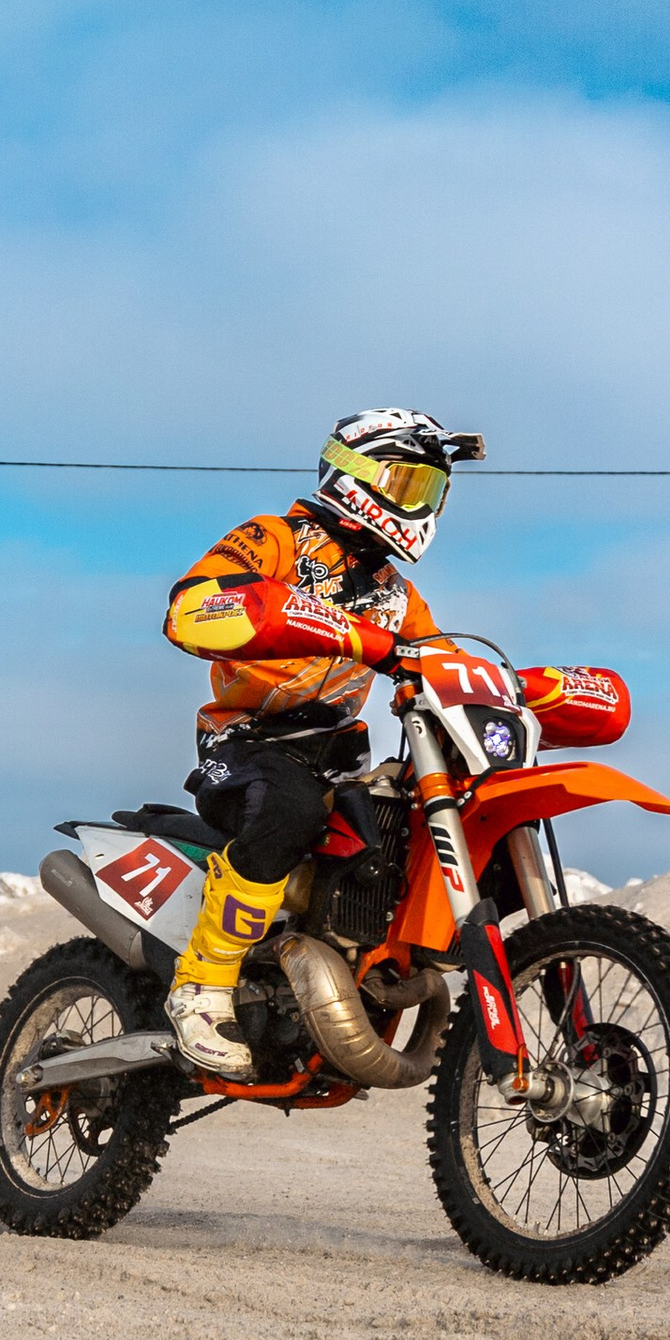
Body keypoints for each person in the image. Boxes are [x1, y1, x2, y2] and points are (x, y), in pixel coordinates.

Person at [159, 407, 483, 1078]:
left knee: (406, 822)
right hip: (248, 746)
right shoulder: (274, 538)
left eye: (432, 492)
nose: (421, 505)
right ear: (357, 476)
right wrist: (301, 618)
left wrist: (508, 688)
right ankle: (202, 986)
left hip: (340, 757)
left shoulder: (396, 593)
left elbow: (438, 662)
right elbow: (191, 607)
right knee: (291, 806)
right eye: (409, 484)